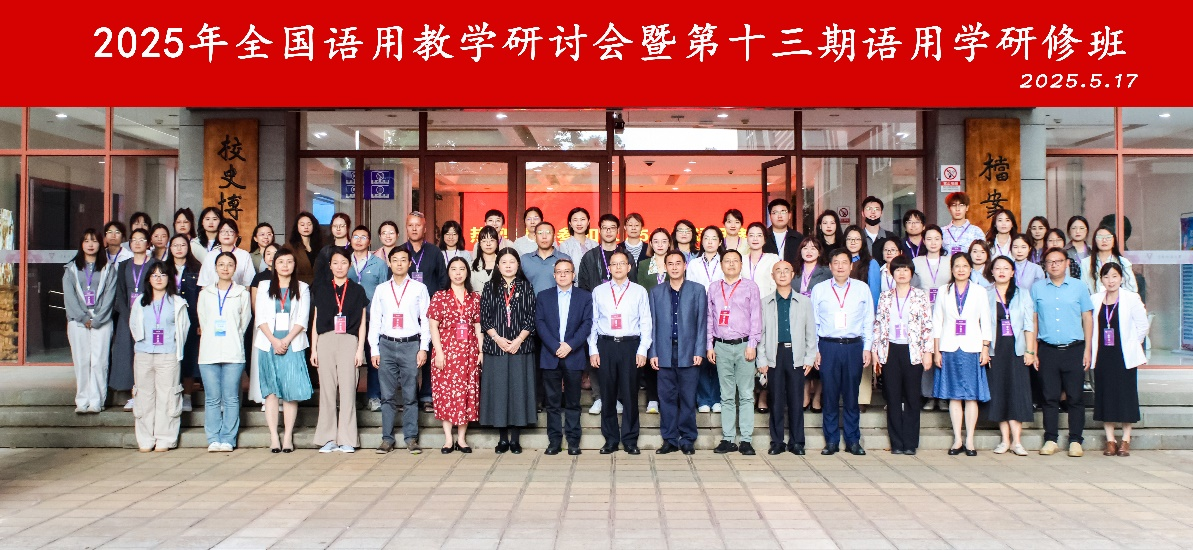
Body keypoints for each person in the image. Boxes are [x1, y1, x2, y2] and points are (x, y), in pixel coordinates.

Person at [1032, 247, 1095, 457]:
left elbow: (1087, 318)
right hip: (1047, 349)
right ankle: (1051, 439)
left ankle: (1076, 440)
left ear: (1067, 263)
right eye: (1050, 262)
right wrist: (1033, 351)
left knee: (1075, 397)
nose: (1054, 265)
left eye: (1058, 261)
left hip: (1074, 349)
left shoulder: (1079, 287)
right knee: (1049, 397)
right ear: (1045, 265)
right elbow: (1033, 321)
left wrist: (1088, 349)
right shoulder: (1037, 288)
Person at [588, 250, 653, 455]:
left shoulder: (639, 291)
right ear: (609, 268)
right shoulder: (599, 291)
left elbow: (646, 322)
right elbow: (593, 322)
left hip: (630, 345)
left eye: (622, 263)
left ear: (629, 267)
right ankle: (610, 439)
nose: (617, 267)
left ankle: (630, 439)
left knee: (630, 393)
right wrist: (593, 349)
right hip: (606, 345)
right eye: (614, 264)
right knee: (607, 394)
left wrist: (643, 349)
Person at [811, 248, 874, 455]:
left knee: (851, 395)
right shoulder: (820, 289)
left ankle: (853, 440)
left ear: (851, 265)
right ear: (830, 266)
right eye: (836, 262)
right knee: (829, 395)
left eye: (844, 262)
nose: (840, 266)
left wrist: (867, 347)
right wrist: (815, 350)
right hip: (827, 346)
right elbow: (813, 322)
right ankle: (831, 441)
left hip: (853, 346)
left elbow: (868, 320)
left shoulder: (861, 288)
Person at [369, 247, 431, 455]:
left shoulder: (419, 288)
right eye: (395, 260)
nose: (399, 263)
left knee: (410, 394)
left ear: (409, 263)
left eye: (403, 260)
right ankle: (387, 439)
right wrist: (374, 349)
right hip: (386, 344)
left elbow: (426, 320)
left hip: (410, 345)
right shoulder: (381, 289)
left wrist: (423, 348)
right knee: (387, 395)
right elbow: (375, 320)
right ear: (389, 263)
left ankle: (411, 438)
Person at [872, 256, 933, 455]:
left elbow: (927, 325)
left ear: (911, 273)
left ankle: (910, 442)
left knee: (912, 397)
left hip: (912, 350)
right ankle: (897, 442)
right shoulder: (885, 297)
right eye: (898, 269)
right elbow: (878, 324)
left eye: (906, 269)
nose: (902, 273)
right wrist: (875, 351)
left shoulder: (920, 296)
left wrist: (928, 352)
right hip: (890, 349)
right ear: (892, 273)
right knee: (893, 396)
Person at [254, 248, 313, 453]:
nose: (285, 265)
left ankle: (287, 436)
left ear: (294, 265)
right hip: (268, 344)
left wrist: (285, 341)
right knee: (270, 392)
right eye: (281, 262)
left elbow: (302, 319)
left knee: (290, 391)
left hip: (292, 344)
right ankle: (274, 436)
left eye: (289, 261)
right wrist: (274, 341)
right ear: (274, 265)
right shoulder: (264, 286)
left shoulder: (303, 287)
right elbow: (260, 317)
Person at [932, 253, 992, 456]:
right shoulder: (943, 291)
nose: (960, 269)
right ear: (952, 269)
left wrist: (985, 347)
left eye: (965, 266)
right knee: (954, 396)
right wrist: (936, 350)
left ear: (970, 269)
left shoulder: (979, 291)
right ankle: (957, 439)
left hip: (972, 347)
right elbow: (937, 321)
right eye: (957, 266)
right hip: (949, 346)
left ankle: (970, 440)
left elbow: (986, 321)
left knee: (971, 396)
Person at [648, 251, 707, 455]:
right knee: (667, 398)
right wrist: (653, 352)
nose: (674, 267)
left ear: (685, 266)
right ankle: (670, 439)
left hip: (689, 351)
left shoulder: (697, 290)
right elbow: (652, 325)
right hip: (664, 351)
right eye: (670, 264)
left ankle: (688, 439)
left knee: (688, 398)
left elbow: (702, 322)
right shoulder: (656, 292)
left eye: (678, 263)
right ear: (665, 267)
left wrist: (699, 349)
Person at [479, 248, 538, 453]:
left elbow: (531, 317)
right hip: (496, 347)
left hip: (521, 347)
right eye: (504, 262)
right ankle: (502, 438)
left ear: (518, 264)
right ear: (498, 265)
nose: (508, 266)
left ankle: (515, 439)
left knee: (518, 391)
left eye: (512, 262)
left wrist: (518, 340)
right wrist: (498, 339)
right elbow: (484, 318)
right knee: (499, 392)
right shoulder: (489, 287)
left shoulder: (526, 287)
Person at [311, 249, 369, 454]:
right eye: (335, 263)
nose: (339, 267)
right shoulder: (321, 288)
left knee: (348, 390)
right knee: (327, 391)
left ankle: (347, 438)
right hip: (325, 340)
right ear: (330, 266)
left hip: (349, 341)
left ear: (349, 265)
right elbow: (315, 320)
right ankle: (328, 438)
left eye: (343, 263)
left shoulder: (357, 290)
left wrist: (360, 349)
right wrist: (314, 349)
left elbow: (362, 322)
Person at [128, 262, 190, 452]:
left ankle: (165, 438)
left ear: (169, 278)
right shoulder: (140, 301)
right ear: (148, 279)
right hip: (144, 353)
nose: (158, 279)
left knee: (167, 396)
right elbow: (133, 324)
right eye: (154, 275)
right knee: (144, 396)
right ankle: (145, 438)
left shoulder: (177, 302)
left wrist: (174, 346)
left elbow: (184, 328)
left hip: (168, 354)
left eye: (163, 275)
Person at [758, 261, 817, 455]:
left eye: (786, 271)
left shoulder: (804, 302)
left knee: (796, 399)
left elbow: (811, 332)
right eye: (778, 271)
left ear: (793, 275)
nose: (782, 274)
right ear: (772, 276)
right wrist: (761, 359)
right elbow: (760, 334)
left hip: (796, 355)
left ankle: (797, 442)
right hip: (774, 354)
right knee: (775, 400)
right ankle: (777, 442)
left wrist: (809, 358)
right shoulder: (765, 303)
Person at [707, 250, 763, 455]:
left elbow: (756, 317)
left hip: (744, 346)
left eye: (735, 261)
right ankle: (728, 438)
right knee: (726, 395)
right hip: (721, 346)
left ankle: (746, 439)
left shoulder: (750, 286)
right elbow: (710, 318)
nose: (731, 264)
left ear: (741, 264)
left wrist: (752, 344)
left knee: (746, 394)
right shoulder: (714, 287)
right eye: (727, 261)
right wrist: (709, 345)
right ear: (721, 264)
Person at [536, 258, 593, 456]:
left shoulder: (584, 297)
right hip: (550, 355)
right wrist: (555, 346)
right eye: (559, 272)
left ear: (573, 274)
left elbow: (587, 324)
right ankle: (554, 441)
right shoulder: (544, 296)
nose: (562, 275)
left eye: (566, 271)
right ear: (554, 275)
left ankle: (573, 441)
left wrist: (570, 345)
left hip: (573, 355)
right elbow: (540, 323)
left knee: (573, 402)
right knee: (552, 403)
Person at [196, 252, 253, 452]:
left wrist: (233, 337)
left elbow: (244, 322)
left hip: (233, 350)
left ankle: (228, 438)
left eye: (230, 264)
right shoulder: (205, 293)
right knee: (212, 397)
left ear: (235, 268)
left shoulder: (242, 293)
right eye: (221, 264)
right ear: (215, 268)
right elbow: (203, 320)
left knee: (231, 397)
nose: (225, 268)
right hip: (209, 351)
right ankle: (213, 438)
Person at [1091, 263, 1148, 457]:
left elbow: (1142, 326)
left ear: (1121, 278)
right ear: (1101, 279)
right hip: (1103, 355)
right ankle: (1110, 440)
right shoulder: (1095, 299)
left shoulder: (1131, 298)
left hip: (1124, 355)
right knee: (1106, 395)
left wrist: (1132, 344)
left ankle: (1125, 439)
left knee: (1126, 396)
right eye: (1106, 277)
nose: (1111, 281)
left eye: (1114, 276)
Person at [427, 257, 483, 453]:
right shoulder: (439, 296)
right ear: (448, 272)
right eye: (454, 269)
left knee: (467, 392)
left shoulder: (474, 297)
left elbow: (478, 326)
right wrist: (439, 352)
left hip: (468, 352)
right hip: (446, 351)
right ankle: (448, 440)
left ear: (467, 272)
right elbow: (433, 326)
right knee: (446, 394)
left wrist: (481, 351)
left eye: (462, 269)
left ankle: (462, 439)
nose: (458, 273)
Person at [982, 256, 1036, 456]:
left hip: (1017, 349)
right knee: (999, 392)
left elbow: (1029, 324)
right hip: (996, 349)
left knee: (1017, 391)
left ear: (1013, 272)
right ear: (992, 271)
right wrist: (984, 349)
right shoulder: (985, 293)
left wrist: (1030, 350)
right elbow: (981, 324)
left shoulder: (1022, 294)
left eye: (1006, 268)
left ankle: (1017, 441)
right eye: (998, 268)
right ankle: (1005, 440)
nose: (1002, 272)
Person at [64, 229, 117, 414]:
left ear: (100, 244)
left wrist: (98, 318)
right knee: (81, 361)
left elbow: (110, 296)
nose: (90, 244)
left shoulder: (108, 268)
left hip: (102, 319)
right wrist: (84, 317)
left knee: (99, 361)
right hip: (78, 320)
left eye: (94, 241)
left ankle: (96, 401)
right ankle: (82, 400)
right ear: (81, 244)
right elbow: (69, 297)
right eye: (86, 241)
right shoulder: (71, 269)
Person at [404, 211, 449, 412]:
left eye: (418, 225)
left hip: (431, 313)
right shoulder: (400, 252)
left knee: (430, 352)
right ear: (406, 228)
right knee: (409, 356)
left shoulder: (434, 252)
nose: (414, 229)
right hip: (406, 312)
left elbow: (443, 281)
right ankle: (410, 395)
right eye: (411, 225)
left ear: (425, 228)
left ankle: (427, 395)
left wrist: (439, 307)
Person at [112, 228, 157, 411]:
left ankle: (149, 393)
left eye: (141, 239)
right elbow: (120, 292)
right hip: (127, 316)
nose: (137, 243)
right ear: (129, 243)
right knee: (128, 354)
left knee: (147, 355)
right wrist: (127, 314)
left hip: (149, 316)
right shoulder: (124, 265)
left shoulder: (155, 264)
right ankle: (134, 394)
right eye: (134, 240)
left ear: (148, 244)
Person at [346, 226, 389, 413]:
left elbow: (385, 293)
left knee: (374, 359)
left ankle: (374, 397)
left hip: (373, 320)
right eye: (355, 236)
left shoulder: (379, 264)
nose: (359, 240)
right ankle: (350, 397)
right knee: (349, 360)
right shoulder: (344, 262)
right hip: (349, 321)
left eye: (363, 237)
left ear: (369, 241)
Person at [843, 225, 881, 411]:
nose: (853, 242)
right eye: (849, 239)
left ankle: (862, 399)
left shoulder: (870, 264)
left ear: (863, 242)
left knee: (863, 358)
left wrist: (872, 320)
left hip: (862, 317)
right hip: (841, 319)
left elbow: (874, 294)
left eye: (857, 239)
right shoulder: (839, 261)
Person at [794, 237, 830, 414]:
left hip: (820, 320)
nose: (809, 251)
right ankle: (805, 394)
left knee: (819, 359)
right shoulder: (794, 271)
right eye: (805, 247)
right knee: (802, 358)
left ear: (819, 252)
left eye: (813, 248)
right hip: (798, 320)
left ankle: (817, 397)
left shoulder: (826, 272)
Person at [169, 234, 203, 412]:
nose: (179, 248)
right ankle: (173, 395)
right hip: (168, 320)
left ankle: (188, 397)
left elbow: (201, 297)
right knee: (171, 358)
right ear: (170, 248)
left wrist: (200, 322)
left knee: (189, 357)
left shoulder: (197, 268)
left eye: (182, 245)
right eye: (175, 245)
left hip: (191, 319)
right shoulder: (164, 268)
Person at [248, 243, 279, 408]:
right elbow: (254, 303)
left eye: (275, 253)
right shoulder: (259, 277)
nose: (272, 256)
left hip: (282, 324)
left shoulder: (286, 275)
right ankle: (263, 396)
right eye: (268, 253)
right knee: (262, 358)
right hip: (263, 324)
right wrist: (262, 322)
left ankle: (280, 397)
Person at [198, 219, 257, 288]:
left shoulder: (244, 255)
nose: (226, 234)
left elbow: (248, 283)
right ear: (218, 235)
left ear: (236, 235)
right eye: (222, 231)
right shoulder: (210, 255)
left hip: (237, 294)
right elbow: (204, 283)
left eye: (230, 231)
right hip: (212, 294)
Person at [1081, 225, 1139, 294]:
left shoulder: (1123, 262)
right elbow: (1083, 289)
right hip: (1093, 300)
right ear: (1095, 241)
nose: (1104, 240)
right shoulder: (1085, 263)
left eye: (1108, 237)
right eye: (1100, 237)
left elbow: (1132, 289)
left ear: (1114, 241)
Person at [578, 214, 627, 291]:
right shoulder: (589, 257)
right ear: (599, 230)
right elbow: (583, 287)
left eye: (612, 228)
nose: (608, 231)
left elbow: (632, 284)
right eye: (605, 228)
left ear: (618, 230)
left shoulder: (626, 255)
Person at [522, 221, 570, 295]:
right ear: (535, 237)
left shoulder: (564, 259)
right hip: (530, 302)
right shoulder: (524, 260)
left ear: (554, 237)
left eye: (548, 233)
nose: (544, 237)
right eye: (540, 233)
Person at [313, 213, 352, 287]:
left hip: (351, 290)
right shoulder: (325, 251)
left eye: (342, 226)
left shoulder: (354, 250)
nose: (338, 229)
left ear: (348, 227)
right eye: (335, 226)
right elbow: (318, 276)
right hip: (328, 290)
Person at [744, 222, 780, 299]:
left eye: (759, 235)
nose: (755, 239)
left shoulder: (772, 258)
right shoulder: (741, 260)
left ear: (765, 239)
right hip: (744, 303)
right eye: (751, 235)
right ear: (747, 238)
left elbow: (776, 285)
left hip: (766, 303)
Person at [763, 198, 805, 263]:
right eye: (775, 212)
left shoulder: (799, 238)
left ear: (789, 215)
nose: (779, 216)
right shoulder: (763, 237)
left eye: (783, 212)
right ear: (770, 216)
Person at [288, 211, 321, 285]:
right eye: (302, 224)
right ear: (297, 227)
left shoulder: (320, 246)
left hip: (318, 286)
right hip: (299, 285)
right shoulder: (289, 247)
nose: (306, 227)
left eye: (309, 224)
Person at [471, 226, 500, 292]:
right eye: (484, 241)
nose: (488, 244)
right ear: (479, 244)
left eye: (492, 240)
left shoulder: (503, 264)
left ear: (497, 243)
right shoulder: (471, 266)